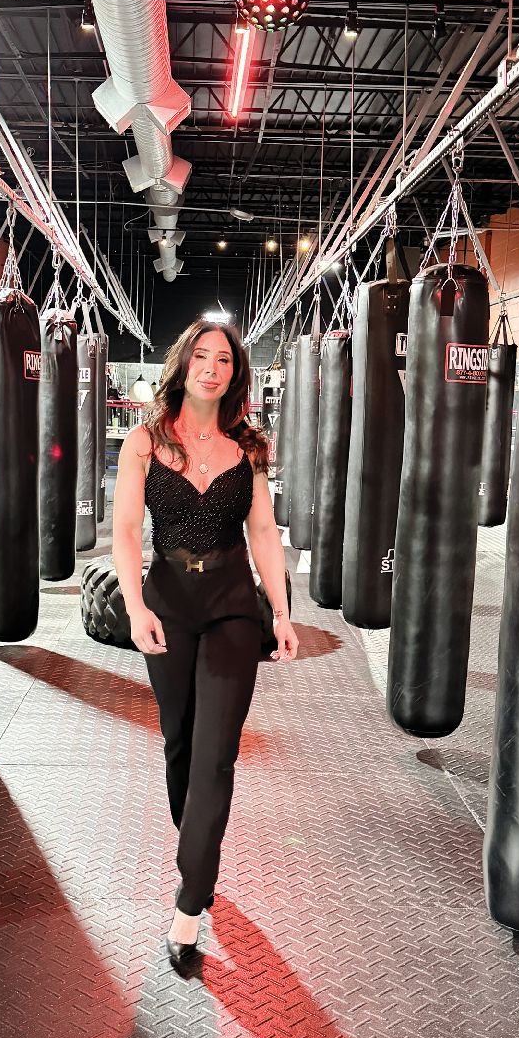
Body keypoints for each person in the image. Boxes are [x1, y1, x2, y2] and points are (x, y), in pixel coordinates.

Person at [112, 319, 297, 971]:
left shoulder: (248, 447)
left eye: (224, 359)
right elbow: (126, 531)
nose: (212, 367)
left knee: (216, 757)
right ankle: (196, 849)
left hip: (231, 612)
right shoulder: (143, 441)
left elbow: (264, 533)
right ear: (183, 363)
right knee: (181, 744)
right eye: (202, 355)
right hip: (167, 609)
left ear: (235, 374)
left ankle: (189, 905)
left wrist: (281, 611)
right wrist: (134, 606)